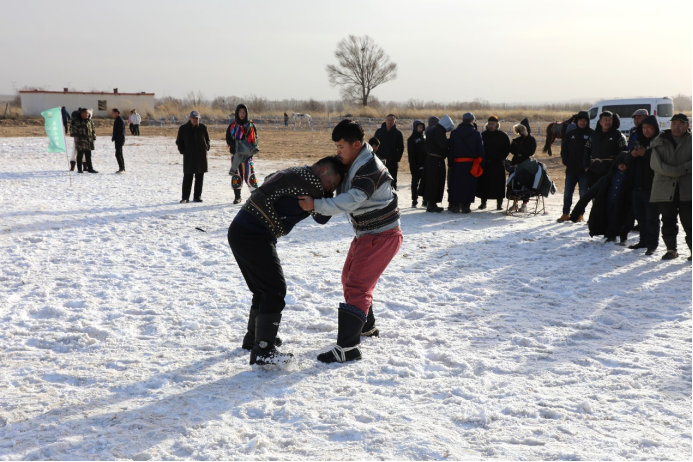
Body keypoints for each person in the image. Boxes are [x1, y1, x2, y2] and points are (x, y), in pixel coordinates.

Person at [298, 120, 402, 364]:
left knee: (357, 285)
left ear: (356, 145)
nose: (338, 152)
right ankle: (366, 326)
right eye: (336, 147)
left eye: (341, 147)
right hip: (368, 234)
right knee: (349, 278)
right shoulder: (353, 162)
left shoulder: (369, 167)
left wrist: (317, 205)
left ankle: (348, 348)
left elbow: (351, 200)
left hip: (382, 236)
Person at [229, 157, 346, 365]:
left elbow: (267, 180)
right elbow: (322, 217)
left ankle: (254, 339)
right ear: (323, 171)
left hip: (241, 229)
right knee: (275, 289)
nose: (331, 187)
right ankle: (263, 350)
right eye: (333, 183)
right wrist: (331, 195)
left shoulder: (295, 172)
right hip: (254, 234)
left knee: (262, 289)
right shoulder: (312, 185)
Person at [649, 113, 692, 261]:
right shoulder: (659, 141)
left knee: (689, 221)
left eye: (680, 124)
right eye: (674, 124)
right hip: (665, 188)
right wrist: (678, 171)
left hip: (688, 188)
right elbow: (656, 165)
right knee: (668, 220)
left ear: (687, 125)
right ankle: (671, 250)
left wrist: (679, 170)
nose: (677, 127)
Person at [570, 153, 634, 245]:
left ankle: (623, 237)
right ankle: (611, 236)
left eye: (625, 163)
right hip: (609, 201)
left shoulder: (631, 178)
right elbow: (589, 194)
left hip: (624, 204)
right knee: (610, 218)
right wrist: (576, 213)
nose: (622, 165)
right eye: (620, 163)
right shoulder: (609, 177)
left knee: (624, 220)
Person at [623, 115, 661, 255]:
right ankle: (643, 241)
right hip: (636, 186)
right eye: (644, 127)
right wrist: (632, 155)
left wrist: (645, 154)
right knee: (641, 217)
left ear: (655, 129)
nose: (646, 130)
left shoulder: (660, 142)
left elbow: (660, 163)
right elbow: (627, 162)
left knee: (652, 218)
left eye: (649, 127)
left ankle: (652, 245)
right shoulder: (638, 140)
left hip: (653, 187)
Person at [557, 111, 593, 222]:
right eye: (580, 120)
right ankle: (565, 214)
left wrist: (589, 165)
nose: (582, 122)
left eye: (584, 120)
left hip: (584, 171)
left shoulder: (592, 134)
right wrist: (566, 161)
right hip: (571, 170)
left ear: (587, 121)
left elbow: (594, 151)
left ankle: (580, 214)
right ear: (576, 121)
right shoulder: (570, 134)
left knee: (583, 194)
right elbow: (564, 149)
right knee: (567, 193)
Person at [448, 113, 484, 214]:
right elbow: (480, 151)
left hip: (457, 163)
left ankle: (455, 206)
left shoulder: (454, 133)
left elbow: (451, 149)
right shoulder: (476, 134)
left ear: (463, 120)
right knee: (469, 185)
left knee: (456, 185)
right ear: (472, 121)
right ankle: (466, 206)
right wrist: (481, 164)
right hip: (471, 164)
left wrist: (450, 163)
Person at [227, 104, 260, 205]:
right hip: (236, 155)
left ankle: (255, 197)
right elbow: (228, 139)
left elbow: (255, 140)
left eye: (244, 112)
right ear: (237, 113)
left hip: (248, 156)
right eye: (240, 112)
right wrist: (235, 145)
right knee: (237, 175)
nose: (242, 114)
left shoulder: (251, 125)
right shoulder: (232, 126)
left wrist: (245, 146)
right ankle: (237, 197)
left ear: (246, 113)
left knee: (250, 175)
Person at [584, 111, 627, 187]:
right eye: (605, 120)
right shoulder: (594, 134)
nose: (607, 122)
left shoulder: (618, 135)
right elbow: (587, 150)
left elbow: (623, 151)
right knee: (594, 194)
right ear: (600, 122)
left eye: (609, 120)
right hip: (594, 170)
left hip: (610, 170)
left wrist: (619, 164)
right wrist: (586, 166)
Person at [476, 116, 510, 211]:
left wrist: (501, 158)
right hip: (486, 163)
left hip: (498, 163)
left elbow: (507, 149)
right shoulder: (483, 135)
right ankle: (483, 203)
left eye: (493, 124)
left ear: (497, 125)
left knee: (498, 184)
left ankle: (499, 204)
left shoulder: (503, 135)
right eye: (489, 124)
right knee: (484, 183)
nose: (491, 126)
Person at [176, 110, 210, 203]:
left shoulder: (203, 128)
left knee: (199, 177)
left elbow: (207, 139)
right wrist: (183, 150)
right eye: (193, 118)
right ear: (189, 118)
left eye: (197, 118)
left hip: (201, 156)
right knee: (188, 177)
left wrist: (207, 147)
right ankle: (185, 197)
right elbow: (179, 141)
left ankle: (197, 197)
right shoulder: (183, 128)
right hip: (189, 156)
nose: (195, 120)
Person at [423, 115, 454, 213]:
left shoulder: (432, 130)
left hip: (431, 160)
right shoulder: (438, 131)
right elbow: (443, 145)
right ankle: (432, 204)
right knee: (435, 182)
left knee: (431, 181)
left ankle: (430, 204)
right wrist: (451, 141)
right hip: (436, 161)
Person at [508, 118, 536, 212]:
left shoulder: (532, 140)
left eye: (523, 130)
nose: (521, 132)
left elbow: (530, 152)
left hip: (526, 163)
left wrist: (518, 147)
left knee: (525, 183)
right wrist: (512, 145)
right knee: (513, 182)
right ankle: (514, 203)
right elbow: (513, 151)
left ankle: (524, 204)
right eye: (520, 130)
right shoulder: (517, 139)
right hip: (516, 161)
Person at [373, 114, 404, 189]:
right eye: (388, 120)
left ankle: (392, 198)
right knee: (379, 181)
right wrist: (375, 157)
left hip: (392, 161)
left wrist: (396, 159)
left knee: (392, 181)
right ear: (385, 121)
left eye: (392, 120)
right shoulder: (379, 132)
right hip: (380, 160)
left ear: (395, 122)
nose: (390, 122)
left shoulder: (398, 133)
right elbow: (374, 145)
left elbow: (401, 148)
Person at [70, 108, 98, 174]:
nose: (87, 115)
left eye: (88, 113)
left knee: (88, 156)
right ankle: (79, 169)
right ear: (81, 114)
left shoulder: (89, 121)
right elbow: (73, 132)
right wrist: (80, 137)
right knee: (80, 155)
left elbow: (93, 130)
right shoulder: (76, 122)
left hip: (88, 142)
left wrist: (94, 137)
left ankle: (90, 168)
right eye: (86, 113)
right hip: (80, 142)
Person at [407, 120, 427, 208]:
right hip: (415, 164)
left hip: (424, 164)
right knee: (415, 183)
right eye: (419, 127)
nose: (420, 128)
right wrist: (414, 165)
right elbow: (411, 154)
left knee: (424, 183)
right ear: (415, 128)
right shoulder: (411, 139)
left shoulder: (424, 137)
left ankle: (424, 200)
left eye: (422, 127)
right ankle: (414, 200)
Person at [111, 108, 126, 173]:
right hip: (117, 139)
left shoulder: (120, 120)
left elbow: (121, 131)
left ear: (117, 113)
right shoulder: (117, 120)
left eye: (113, 113)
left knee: (118, 154)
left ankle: (121, 168)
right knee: (119, 153)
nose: (112, 114)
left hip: (119, 140)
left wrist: (118, 139)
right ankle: (122, 167)